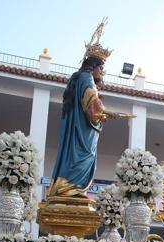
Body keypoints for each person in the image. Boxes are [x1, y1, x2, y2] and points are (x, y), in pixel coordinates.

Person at [47, 20, 123, 199]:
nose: (102, 73)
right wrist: (107, 113)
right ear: (94, 66)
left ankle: (67, 188)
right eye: (101, 68)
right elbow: (92, 107)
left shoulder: (78, 78)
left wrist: (98, 101)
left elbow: (87, 101)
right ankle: (72, 188)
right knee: (84, 156)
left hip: (77, 129)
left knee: (74, 156)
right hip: (83, 134)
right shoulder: (87, 78)